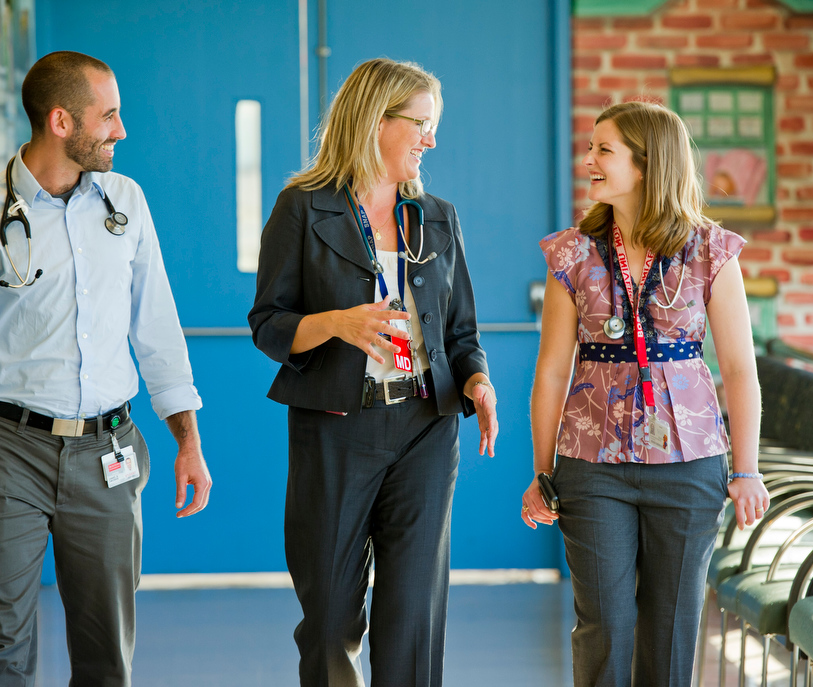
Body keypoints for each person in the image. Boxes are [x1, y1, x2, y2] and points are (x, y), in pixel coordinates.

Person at [0, 51, 212, 686]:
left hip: (109, 448)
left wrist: (188, 441)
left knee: (106, 651)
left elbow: (156, 329)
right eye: (109, 116)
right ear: (61, 121)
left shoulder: (125, 202)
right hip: (5, 452)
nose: (121, 131)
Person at [248, 57, 498, 687]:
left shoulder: (436, 216)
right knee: (331, 617)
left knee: (413, 613)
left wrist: (479, 383)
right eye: (420, 123)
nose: (430, 140)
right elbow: (269, 324)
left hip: (426, 427)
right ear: (374, 120)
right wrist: (337, 323)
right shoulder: (302, 208)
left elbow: (461, 331)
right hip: (336, 426)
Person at [522, 100, 768, 686]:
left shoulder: (712, 251)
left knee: (673, 627)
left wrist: (748, 469)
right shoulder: (572, 254)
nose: (590, 161)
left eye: (604, 150)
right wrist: (543, 470)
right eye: (591, 149)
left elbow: (738, 368)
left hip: (689, 466)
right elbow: (553, 370)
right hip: (592, 466)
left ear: (648, 161)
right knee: (603, 626)